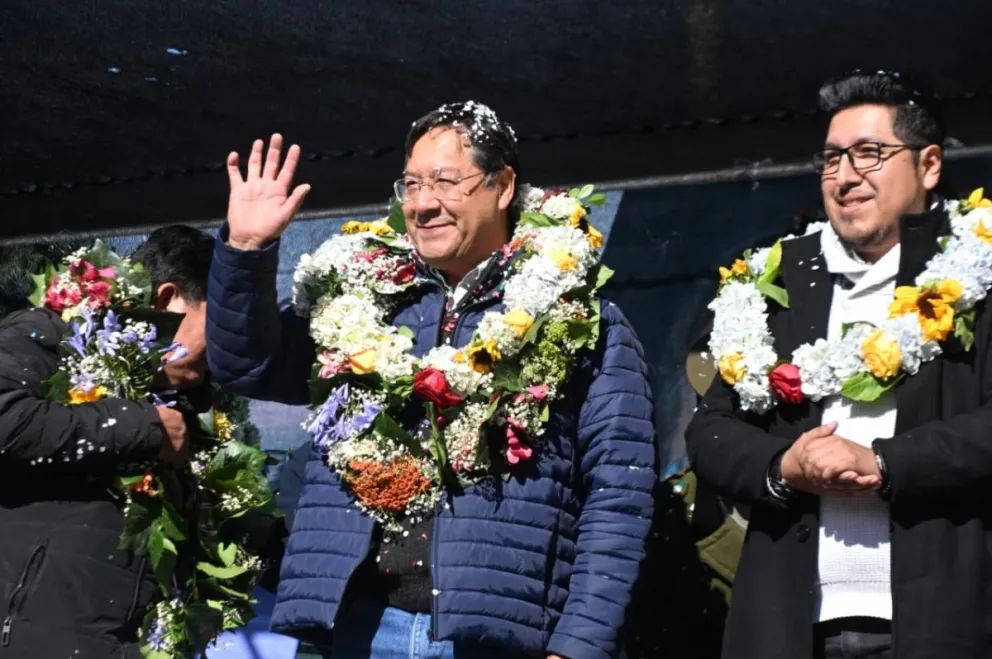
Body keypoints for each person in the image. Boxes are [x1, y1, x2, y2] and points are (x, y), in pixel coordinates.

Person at [205, 101, 656, 659]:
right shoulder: (361, 298)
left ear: (504, 185)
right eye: (411, 184)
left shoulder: (584, 321)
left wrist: (578, 645)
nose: (422, 204)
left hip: (495, 638)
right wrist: (246, 250)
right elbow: (243, 365)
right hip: (359, 627)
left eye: (445, 181)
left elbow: (620, 495)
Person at [685, 69, 992, 659]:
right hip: (789, 623)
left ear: (929, 166)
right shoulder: (772, 278)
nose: (845, 176)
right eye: (831, 159)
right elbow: (710, 428)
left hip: (943, 616)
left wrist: (884, 462)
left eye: (869, 154)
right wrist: (782, 466)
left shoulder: (977, 270)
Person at [0, 225, 213, 658]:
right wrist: (145, 425)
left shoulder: (190, 407)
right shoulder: (53, 332)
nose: (231, 348)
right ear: (167, 299)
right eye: (225, 322)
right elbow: (7, 420)